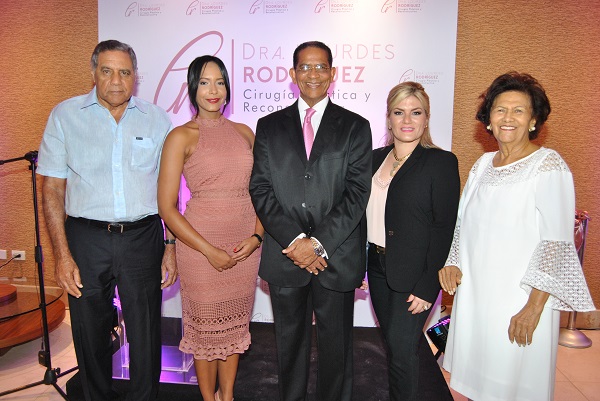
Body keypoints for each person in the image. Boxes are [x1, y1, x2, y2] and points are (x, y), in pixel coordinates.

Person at [439, 72, 595, 400]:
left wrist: (533, 307)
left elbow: (557, 245)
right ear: (489, 119)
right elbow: (463, 222)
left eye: (519, 110)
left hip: (519, 300)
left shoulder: (549, 166)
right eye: (500, 110)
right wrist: (452, 260)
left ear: (534, 120)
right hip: (476, 296)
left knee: (513, 385)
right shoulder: (482, 165)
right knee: (474, 382)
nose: (508, 118)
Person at [38, 40, 177, 401]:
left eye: (125, 72)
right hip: (86, 239)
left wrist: (170, 245)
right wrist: (62, 254)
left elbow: (170, 191)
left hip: (143, 236)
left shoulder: (157, 119)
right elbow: (52, 189)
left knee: (146, 334)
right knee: (89, 332)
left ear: (136, 77)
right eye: (107, 71)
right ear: (93, 73)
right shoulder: (65, 116)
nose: (116, 80)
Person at [249, 41, 372, 401]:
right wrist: (296, 242)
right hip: (286, 256)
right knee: (289, 347)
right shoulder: (269, 126)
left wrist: (317, 244)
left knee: (337, 350)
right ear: (292, 74)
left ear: (333, 74)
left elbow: (356, 193)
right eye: (305, 67)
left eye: (321, 67)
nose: (313, 74)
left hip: (336, 255)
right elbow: (260, 188)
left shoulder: (355, 126)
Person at [157, 55, 262, 401]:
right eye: (204, 82)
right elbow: (167, 207)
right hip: (200, 250)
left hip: (245, 246)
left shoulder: (245, 133)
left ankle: (227, 396)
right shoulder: (180, 137)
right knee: (204, 334)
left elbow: (264, 193)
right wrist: (208, 251)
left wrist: (256, 236)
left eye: (219, 82)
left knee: (234, 325)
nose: (213, 90)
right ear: (192, 88)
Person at [366, 81, 460, 400]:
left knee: (403, 351)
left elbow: (443, 227)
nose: (407, 120)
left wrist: (427, 285)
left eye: (415, 112)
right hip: (377, 267)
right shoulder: (374, 158)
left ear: (426, 118)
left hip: (416, 275)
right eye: (399, 112)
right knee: (395, 346)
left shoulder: (441, 162)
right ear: (389, 118)